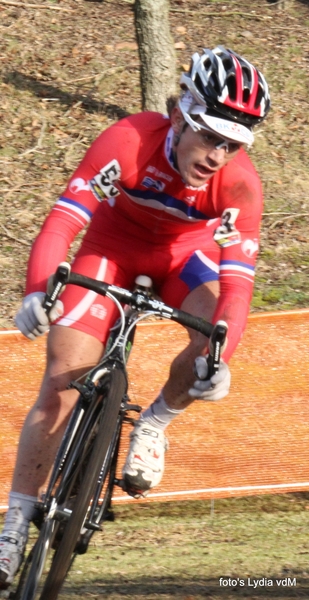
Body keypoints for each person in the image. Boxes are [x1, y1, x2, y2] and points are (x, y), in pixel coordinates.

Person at [0, 45, 270, 588]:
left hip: (184, 262)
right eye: (210, 135)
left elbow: (237, 288)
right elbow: (61, 225)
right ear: (179, 115)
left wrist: (221, 357)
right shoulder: (129, 140)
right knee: (62, 382)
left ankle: (154, 423)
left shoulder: (240, 186)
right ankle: (12, 527)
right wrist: (38, 290)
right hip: (111, 249)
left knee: (207, 342)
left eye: (233, 144)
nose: (218, 155)